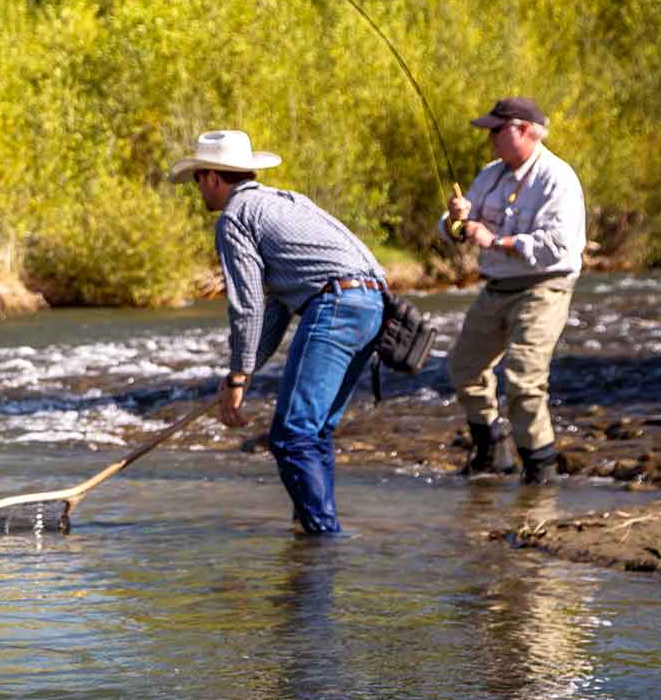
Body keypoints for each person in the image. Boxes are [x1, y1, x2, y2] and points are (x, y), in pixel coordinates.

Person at [170, 130, 388, 535]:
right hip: (374, 303)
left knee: (291, 437)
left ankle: (324, 539)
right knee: (314, 431)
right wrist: (246, 370)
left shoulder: (235, 218)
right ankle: (311, 530)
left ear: (214, 177)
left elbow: (247, 305)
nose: (198, 188)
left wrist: (237, 376)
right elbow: (277, 308)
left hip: (336, 304)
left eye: (198, 178)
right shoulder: (285, 202)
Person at [439, 97, 586, 485]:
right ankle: (493, 452)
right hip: (497, 287)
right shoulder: (490, 175)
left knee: (524, 379)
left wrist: (495, 241)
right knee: (465, 369)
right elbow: (456, 230)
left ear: (524, 130)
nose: (490, 139)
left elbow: (555, 245)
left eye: (496, 130)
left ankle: (540, 467)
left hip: (544, 287)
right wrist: (455, 222)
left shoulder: (558, 178)